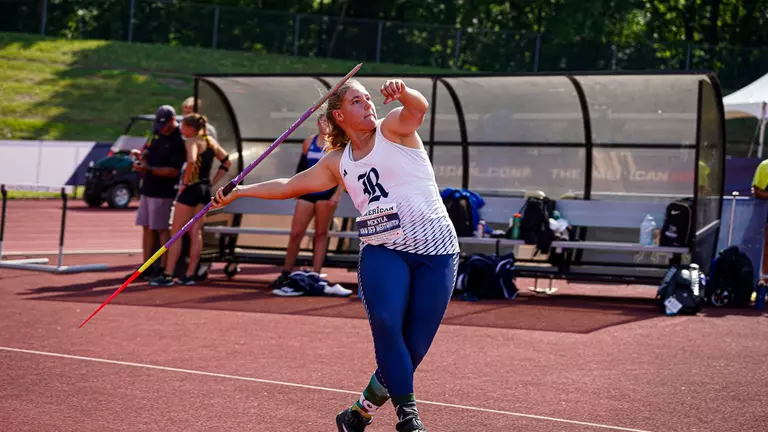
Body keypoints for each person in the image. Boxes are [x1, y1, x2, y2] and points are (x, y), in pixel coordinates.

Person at [211, 79, 459, 432]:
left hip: (436, 250)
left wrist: (403, 93)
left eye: (368, 98)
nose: (368, 104)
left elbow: (418, 109)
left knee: (414, 345)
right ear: (339, 115)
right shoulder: (337, 162)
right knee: (386, 322)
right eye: (357, 101)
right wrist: (240, 191)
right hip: (383, 249)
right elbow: (290, 186)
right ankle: (409, 416)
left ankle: (358, 413)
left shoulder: (392, 129)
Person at [151, 113, 231, 286]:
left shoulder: (192, 142)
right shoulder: (210, 141)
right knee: (196, 232)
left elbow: (192, 160)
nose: (181, 129)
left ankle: (168, 274)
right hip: (204, 190)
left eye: (183, 127)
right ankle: (190, 274)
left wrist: (185, 182)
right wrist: (212, 181)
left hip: (191, 189)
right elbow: (226, 162)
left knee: (176, 232)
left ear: (190, 128)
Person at [270, 118, 346, 292]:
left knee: (320, 234)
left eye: (328, 122)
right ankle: (286, 272)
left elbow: (343, 172)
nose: (325, 125)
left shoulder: (338, 144)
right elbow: (301, 169)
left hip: (326, 194)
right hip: (307, 192)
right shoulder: (308, 142)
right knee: (296, 233)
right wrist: (294, 190)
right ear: (318, 123)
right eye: (322, 121)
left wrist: (337, 194)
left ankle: (315, 275)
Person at [131, 105, 187, 280]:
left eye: (164, 124)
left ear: (173, 120)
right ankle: (146, 266)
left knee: (162, 229)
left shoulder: (178, 139)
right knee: (147, 227)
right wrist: (141, 157)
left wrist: (148, 168)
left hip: (164, 191)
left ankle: (163, 267)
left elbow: (174, 171)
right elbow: (148, 150)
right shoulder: (157, 132)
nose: (162, 128)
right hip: (148, 187)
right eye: (159, 124)